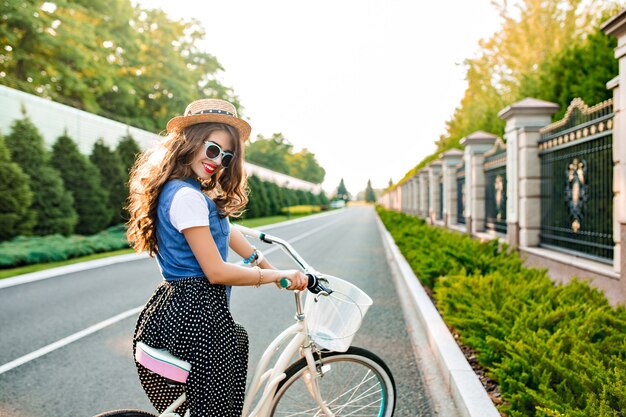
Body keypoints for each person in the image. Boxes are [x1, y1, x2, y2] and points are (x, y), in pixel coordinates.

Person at [126, 98, 308, 417]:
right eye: (213, 150)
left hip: (177, 312)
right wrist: (276, 277)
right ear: (191, 142)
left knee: (238, 339)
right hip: (196, 320)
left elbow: (223, 229)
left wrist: (264, 262)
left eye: (226, 156)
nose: (218, 161)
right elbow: (216, 272)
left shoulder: (185, 190)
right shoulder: (187, 197)